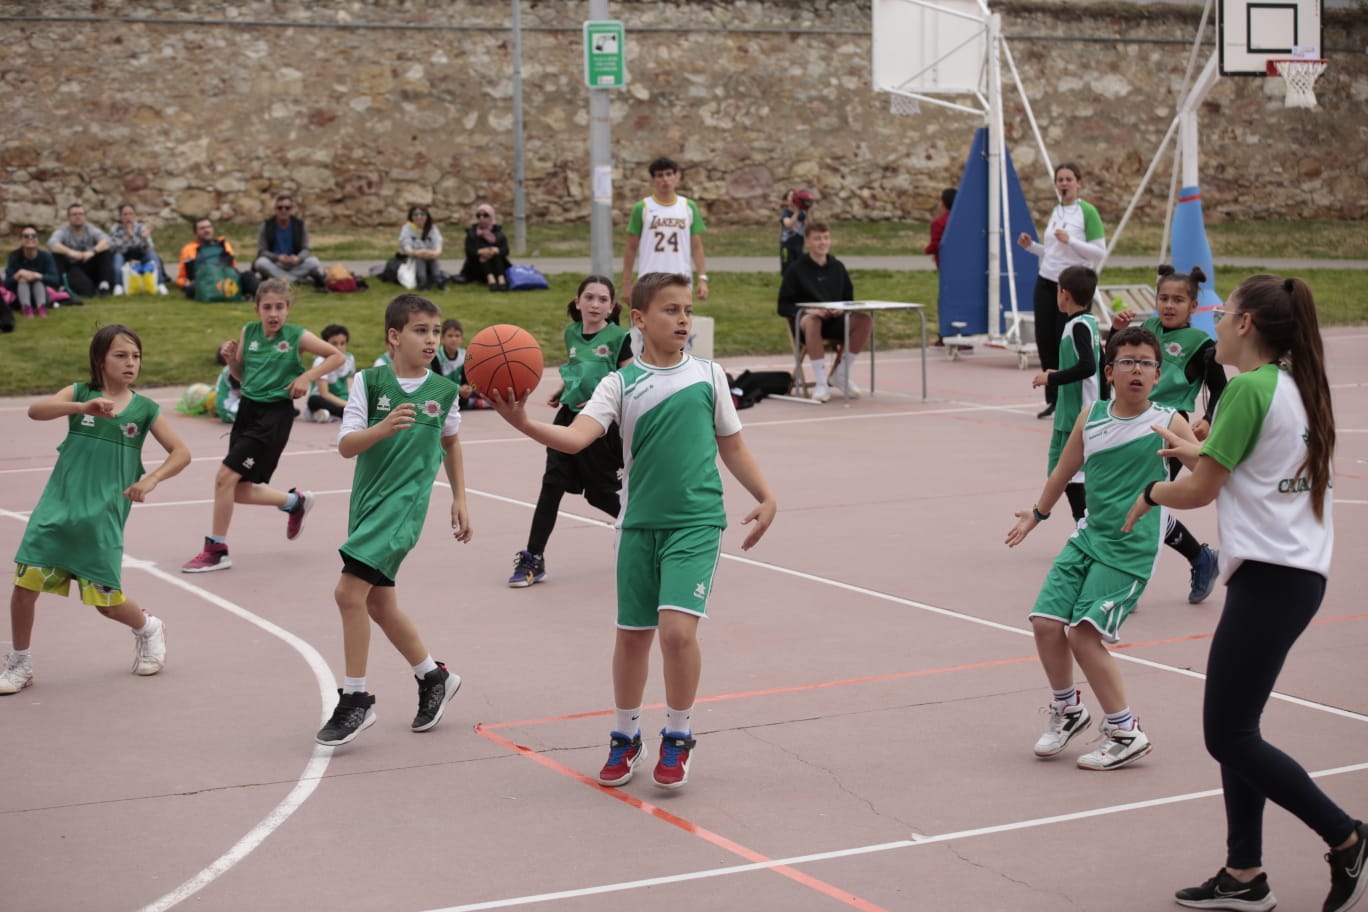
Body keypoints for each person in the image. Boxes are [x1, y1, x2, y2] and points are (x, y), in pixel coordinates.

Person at [1121, 275, 1366, 912]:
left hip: (1274, 577)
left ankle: (1346, 835)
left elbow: (1199, 491)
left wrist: (1150, 493)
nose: (1218, 321)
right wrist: (1198, 448)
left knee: (1227, 735)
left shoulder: (1248, 389)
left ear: (1248, 325)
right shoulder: (1290, 386)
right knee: (1240, 727)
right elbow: (1243, 466)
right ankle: (1244, 874)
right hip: (1291, 575)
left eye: (1225, 313)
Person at [488, 272, 777, 790]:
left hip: (696, 522)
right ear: (639, 320)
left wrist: (765, 494)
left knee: (676, 632)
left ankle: (679, 733)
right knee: (632, 638)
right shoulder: (618, 384)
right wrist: (525, 424)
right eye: (671, 310)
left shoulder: (708, 376)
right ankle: (626, 735)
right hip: (637, 523)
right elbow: (576, 438)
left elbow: (731, 445)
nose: (683, 319)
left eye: (687, 310)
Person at [1006, 325, 1195, 771]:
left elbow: (1207, 471)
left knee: (1083, 634)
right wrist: (1038, 513)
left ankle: (1126, 731)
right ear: (1109, 371)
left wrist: (1200, 451)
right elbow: (1063, 471)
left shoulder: (1169, 422)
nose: (1136, 370)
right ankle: (1068, 709)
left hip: (1130, 547)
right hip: (1088, 538)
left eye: (1146, 363)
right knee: (1046, 623)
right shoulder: (1092, 417)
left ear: (1157, 374)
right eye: (1126, 361)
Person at [314, 292, 471, 747]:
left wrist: (459, 498)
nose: (431, 340)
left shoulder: (442, 392)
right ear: (394, 335)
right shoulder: (369, 382)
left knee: (348, 594)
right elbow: (346, 445)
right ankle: (433, 676)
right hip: (367, 505)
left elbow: (451, 442)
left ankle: (356, 700)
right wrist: (382, 428)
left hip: (403, 510)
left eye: (436, 332)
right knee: (379, 605)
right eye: (421, 331)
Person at [0, 324, 191, 695]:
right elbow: (36, 410)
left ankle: (148, 627)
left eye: (135, 356)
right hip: (55, 511)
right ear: (100, 360)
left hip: (102, 518)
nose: (130, 362)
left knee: (107, 603)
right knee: (24, 587)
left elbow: (181, 453)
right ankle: (19, 663)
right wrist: (79, 407)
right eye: (121, 355)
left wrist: (150, 480)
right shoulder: (80, 394)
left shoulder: (145, 409)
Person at [180, 279, 344, 573]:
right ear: (257, 309)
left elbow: (336, 356)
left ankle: (216, 549)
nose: (273, 313)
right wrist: (232, 361)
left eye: (279, 307)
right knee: (239, 490)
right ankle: (295, 502)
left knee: (223, 478)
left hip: (273, 416)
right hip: (247, 411)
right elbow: (242, 376)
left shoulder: (296, 336)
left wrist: (307, 377)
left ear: (288, 309)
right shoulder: (249, 332)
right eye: (267, 307)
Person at [507, 275, 633, 589]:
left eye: (603, 299)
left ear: (611, 306)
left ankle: (639, 529)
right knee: (552, 484)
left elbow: (630, 381)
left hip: (601, 425)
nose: (595, 304)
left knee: (598, 494)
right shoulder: (571, 333)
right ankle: (533, 557)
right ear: (578, 302)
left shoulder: (620, 337)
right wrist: (564, 387)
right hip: (568, 417)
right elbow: (578, 367)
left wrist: (602, 401)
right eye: (589, 297)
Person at [1112, 265, 1226, 604]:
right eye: (1163, 297)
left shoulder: (1201, 344)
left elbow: (1220, 389)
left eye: (1178, 299)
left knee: (1147, 500)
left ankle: (1126, 582)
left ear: (1193, 306)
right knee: (1136, 501)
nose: (1169, 305)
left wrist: (1207, 419)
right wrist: (1116, 332)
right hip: (1132, 420)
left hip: (1169, 429)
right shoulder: (1146, 330)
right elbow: (1113, 363)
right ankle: (1200, 557)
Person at [1017, 162, 1106, 419]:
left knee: (1066, 340)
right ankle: (1053, 397)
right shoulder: (1056, 211)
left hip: (1074, 282)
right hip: (1047, 280)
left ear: (1079, 182)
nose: (1064, 184)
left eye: (1069, 179)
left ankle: (1073, 396)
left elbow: (1099, 251)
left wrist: (1072, 240)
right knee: (1045, 339)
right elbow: (1053, 252)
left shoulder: (1087, 212)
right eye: (1060, 180)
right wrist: (1031, 247)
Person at [1031, 265, 1104, 522]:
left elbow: (1088, 366)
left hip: (1077, 414)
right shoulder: (1087, 323)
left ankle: (1084, 527)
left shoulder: (1079, 326)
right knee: (1062, 473)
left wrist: (1051, 377)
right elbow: (1098, 365)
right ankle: (1084, 525)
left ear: (1065, 294)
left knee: (1071, 475)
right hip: (1072, 412)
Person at [776, 221, 871, 403]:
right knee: (812, 320)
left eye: (826, 238)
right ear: (808, 242)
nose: (822, 242)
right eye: (817, 238)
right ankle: (821, 383)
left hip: (836, 321)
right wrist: (810, 310)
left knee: (864, 320)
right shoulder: (796, 269)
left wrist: (839, 309)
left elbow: (848, 299)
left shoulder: (838, 267)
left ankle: (840, 374)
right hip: (807, 323)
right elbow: (783, 305)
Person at [621, 157, 708, 305]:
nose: (665, 179)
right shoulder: (642, 208)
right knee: (649, 324)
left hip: (680, 277)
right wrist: (627, 284)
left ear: (677, 177)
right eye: (660, 175)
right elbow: (631, 247)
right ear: (652, 180)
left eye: (669, 174)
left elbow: (696, 246)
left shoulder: (688, 207)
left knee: (678, 323)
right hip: (650, 278)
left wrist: (702, 278)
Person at [253, 193, 325, 288]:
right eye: (280, 208)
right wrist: (278, 257)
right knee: (261, 263)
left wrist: (298, 258)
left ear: (292, 210)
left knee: (314, 262)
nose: (283, 211)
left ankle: (284, 280)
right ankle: (296, 281)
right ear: (275, 209)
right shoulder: (267, 225)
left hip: (295, 264)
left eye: (287, 208)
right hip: (276, 264)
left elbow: (307, 249)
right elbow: (261, 251)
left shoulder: (299, 225)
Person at [176, 217, 257, 299]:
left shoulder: (224, 245)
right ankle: (236, 295)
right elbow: (181, 277)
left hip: (226, 278)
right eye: (202, 228)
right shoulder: (188, 250)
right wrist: (185, 283)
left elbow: (234, 268)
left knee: (248, 275)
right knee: (191, 289)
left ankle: (260, 296)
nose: (207, 230)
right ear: (196, 233)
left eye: (209, 227)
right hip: (206, 282)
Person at [48, 203, 116, 297]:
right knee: (55, 255)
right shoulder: (63, 231)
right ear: (68, 218)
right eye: (74, 214)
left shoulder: (91, 229)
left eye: (80, 214)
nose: (78, 217)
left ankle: (104, 286)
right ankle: (62, 287)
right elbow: (51, 244)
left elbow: (108, 241)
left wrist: (93, 251)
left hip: (89, 263)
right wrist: (71, 252)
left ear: (85, 217)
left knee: (104, 252)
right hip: (73, 267)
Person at [107, 202, 169, 295]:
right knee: (117, 258)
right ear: (120, 216)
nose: (128, 217)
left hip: (140, 254)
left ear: (134, 215)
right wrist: (127, 237)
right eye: (125, 214)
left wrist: (144, 239)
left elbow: (150, 247)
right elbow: (112, 247)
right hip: (123, 254)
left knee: (153, 256)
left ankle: (160, 283)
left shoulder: (141, 227)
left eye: (131, 214)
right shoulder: (115, 228)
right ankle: (118, 285)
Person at [429, 318, 488, 411]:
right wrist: (458, 389)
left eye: (457, 336)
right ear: (442, 338)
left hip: (460, 392)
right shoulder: (436, 356)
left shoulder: (464, 355)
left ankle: (478, 401)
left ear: (462, 338)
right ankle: (476, 403)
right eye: (450, 336)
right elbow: (438, 382)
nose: (454, 339)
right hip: (445, 392)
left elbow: (466, 379)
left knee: (481, 389)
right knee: (442, 399)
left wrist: (467, 388)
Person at [5, 225, 61, 321]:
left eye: (33, 236)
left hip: (41, 295)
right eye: (26, 236)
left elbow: (55, 280)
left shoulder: (46, 256)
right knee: (23, 280)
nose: (30, 238)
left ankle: (41, 308)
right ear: (21, 240)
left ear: (38, 240)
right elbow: (7, 284)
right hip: (20, 297)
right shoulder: (14, 256)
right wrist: (18, 275)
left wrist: (37, 276)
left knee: (37, 281)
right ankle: (26, 309)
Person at [308, 323, 356, 423]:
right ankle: (344, 413)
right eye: (334, 344)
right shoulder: (321, 362)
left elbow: (346, 383)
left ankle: (327, 414)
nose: (339, 347)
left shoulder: (350, 359)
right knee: (313, 401)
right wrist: (347, 405)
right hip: (324, 399)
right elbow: (324, 394)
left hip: (341, 398)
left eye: (342, 343)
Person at [460, 204, 511, 291]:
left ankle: (501, 279)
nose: (481, 218)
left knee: (495, 254)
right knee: (484, 256)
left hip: (497, 266)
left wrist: (496, 250)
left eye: (485, 215)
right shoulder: (472, 233)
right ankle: (491, 280)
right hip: (477, 268)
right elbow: (469, 252)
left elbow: (505, 251)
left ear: (491, 217)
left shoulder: (498, 233)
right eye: (478, 215)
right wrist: (480, 252)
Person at [399, 205, 446, 291]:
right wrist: (420, 252)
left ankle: (438, 281)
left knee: (434, 263)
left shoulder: (432, 228)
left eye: (422, 214)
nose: (419, 217)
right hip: (414, 258)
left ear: (427, 216)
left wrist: (433, 253)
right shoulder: (407, 228)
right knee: (420, 262)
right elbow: (407, 248)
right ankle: (423, 284)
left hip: (430, 256)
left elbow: (438, 245)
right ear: (411, 217)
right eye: (416, 214)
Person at [778, 188, 812, 273]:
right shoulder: (786, 213)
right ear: (786, 202)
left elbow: (809, 226)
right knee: (787, 270)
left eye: (794, 195)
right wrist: (796, 212)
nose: (793, 197)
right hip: (786, 246)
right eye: (791, 195)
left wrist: (808, 211)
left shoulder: (802, 214)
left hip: (799, 245)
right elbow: (788, 225)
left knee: (800, 269)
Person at [924, 187, 956, 268]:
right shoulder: (964, 220)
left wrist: (927, 250)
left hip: (946, 262)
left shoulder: (938, 223)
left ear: (943, 203)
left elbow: (935, 245)